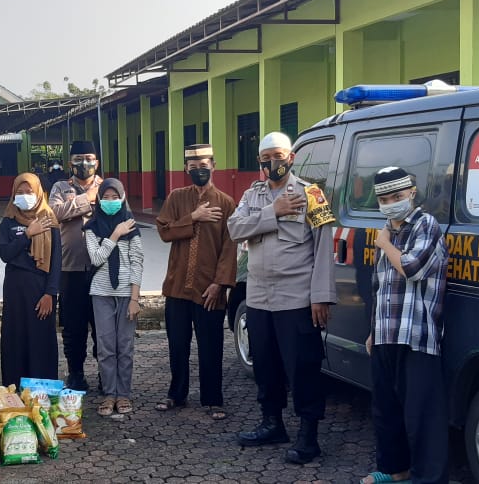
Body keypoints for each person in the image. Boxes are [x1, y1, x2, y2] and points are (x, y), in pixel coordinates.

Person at [227, 131, 337, 465]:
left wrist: (321, 297)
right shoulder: (253, 194)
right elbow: (234, 228)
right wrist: (272, 212)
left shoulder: (312, 195)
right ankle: (272, 423)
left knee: (303, 369)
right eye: (266, 157)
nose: (272, 163)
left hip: (296, 299)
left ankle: (308, 436)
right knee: (266, 366)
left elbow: (323, 247)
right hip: (259, 297)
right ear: (259, 160)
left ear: (291, 158)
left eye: (279, 156)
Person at [360, 167, 450, 484]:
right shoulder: (387, 231)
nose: (391, 203)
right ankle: (395, 470)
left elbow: (412, 268)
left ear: (411, 193)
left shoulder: (427, 226)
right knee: (386, 408)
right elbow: (378, 286)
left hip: (417, 335)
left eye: (397, 196)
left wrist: (384, 243)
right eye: (384, 198)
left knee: (422, 414)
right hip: (386, 332)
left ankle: (429, 477)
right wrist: (372, 331)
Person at [155, 144, 237, 420]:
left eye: (203, 165)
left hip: (209, 289)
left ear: (213, 165)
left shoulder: (226, 203)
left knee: (211, 345)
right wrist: (193, 217)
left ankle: (213, 399)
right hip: (177, 286)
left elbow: (230, 247)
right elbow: (164, 231)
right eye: (193, 166)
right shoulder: (176, 198)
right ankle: (176, 394)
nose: (199, 170)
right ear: (185, 169)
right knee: (177, 344)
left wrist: (220, 284)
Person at [84, 178, 144, 416]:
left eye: (114, 196)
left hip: (126, 294)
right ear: (98, 199)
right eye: (105, 197)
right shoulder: (91, 227)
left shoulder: (131, 225)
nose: (110, 201)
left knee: (125, 346)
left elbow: (137, 261)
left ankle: (124, 394)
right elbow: (96, 258)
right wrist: (115, 236)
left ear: (122, 197)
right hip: (101, 294)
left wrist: (135, 298)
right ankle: (109, 393)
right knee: (106, 347)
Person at [49, 140, 104, 391]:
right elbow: (54, 214)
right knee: (72, 326)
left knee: (102, 325)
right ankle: (76, 373)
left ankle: (106, 372)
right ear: (70, 161)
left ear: (97, 162)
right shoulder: (61, 187)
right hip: (70, 268)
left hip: (101, 268)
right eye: (79, 158)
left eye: (89, 158)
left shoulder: (108, 187)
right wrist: (86, 200)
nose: (85, 163)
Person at [0, 173, 62, 387]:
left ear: (38, 193)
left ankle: (42, 393)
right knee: (15, 340)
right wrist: (27, 234)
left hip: (40, 290)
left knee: (40, 341)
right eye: (20, 192)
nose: (25, 196)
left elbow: (56, 261)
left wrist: (50, 294)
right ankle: (15, 390)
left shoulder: (49, 220)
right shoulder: (8, 221)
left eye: (29, 192)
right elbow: (5, 254)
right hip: (15, 290)